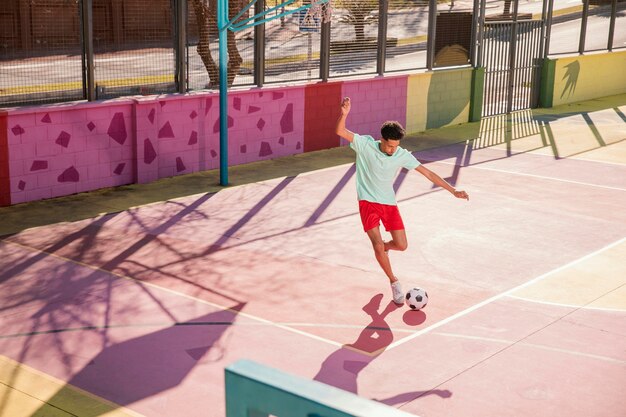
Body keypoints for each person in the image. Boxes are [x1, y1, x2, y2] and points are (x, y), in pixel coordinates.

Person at [335, 97, 469, 305]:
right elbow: (341, 132)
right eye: (389, 146)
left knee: (402, 245)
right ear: (382, 139)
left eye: (395, 146)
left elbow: (428, 173)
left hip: (389, 204)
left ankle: (386, 248)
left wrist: (453, 190)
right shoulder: (365, 145)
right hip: (367, 203)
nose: (392, 150)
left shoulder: (401, 155)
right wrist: (344, 115)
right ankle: (394, 281)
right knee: (377, 246)